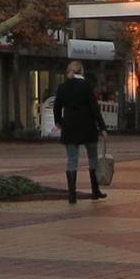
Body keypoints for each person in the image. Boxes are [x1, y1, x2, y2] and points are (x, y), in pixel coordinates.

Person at [54, 62, 106, 203]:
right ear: (81, 71)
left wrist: (58, 121)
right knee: (92, 158)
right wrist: (102, 127)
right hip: (87, 126)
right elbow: (95, 109)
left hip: (69, 127)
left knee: (72, 160)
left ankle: (72, 195)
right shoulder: (87, 87)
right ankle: (95, 190)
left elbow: (57, 106)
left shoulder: (62, 87)